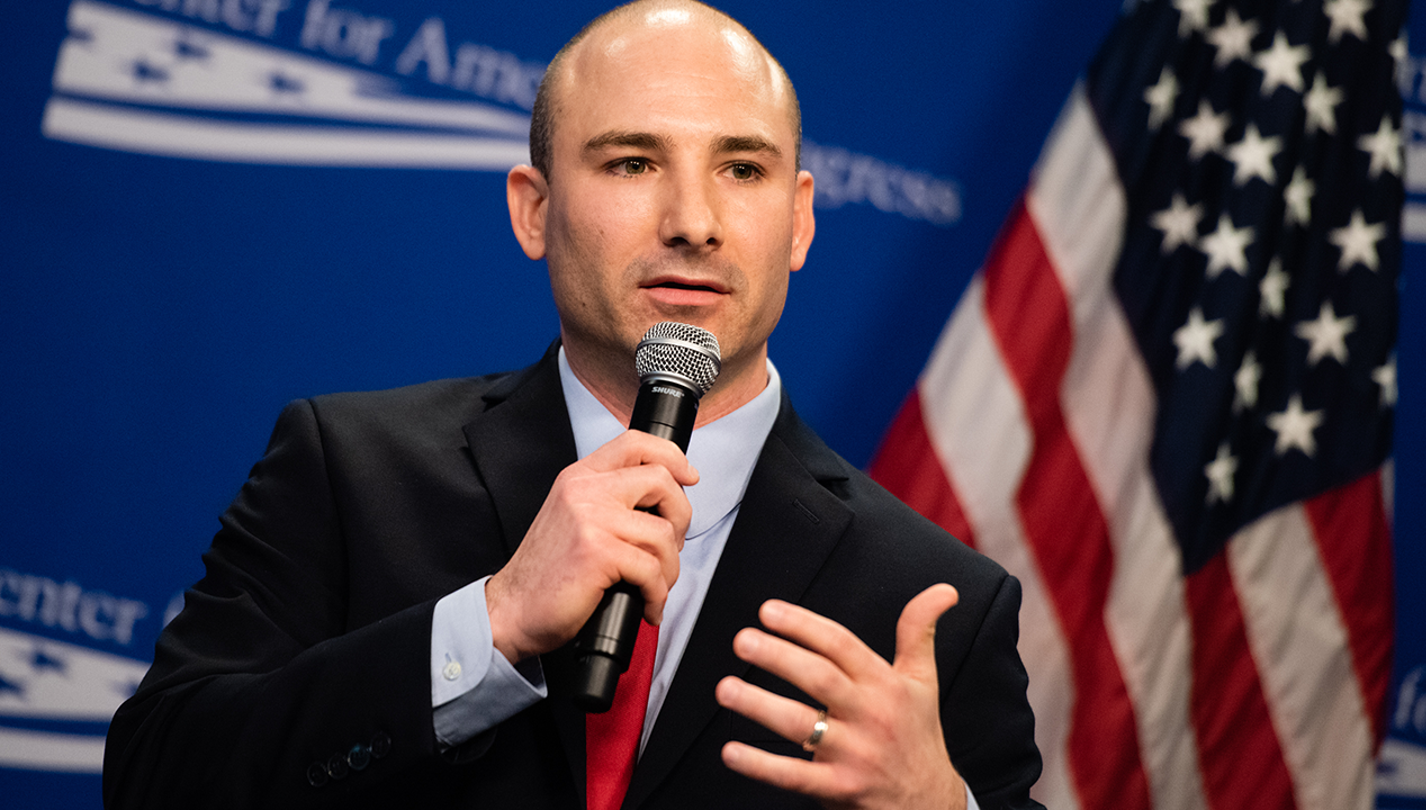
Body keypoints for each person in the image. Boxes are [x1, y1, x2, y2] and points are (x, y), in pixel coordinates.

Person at [102, 2, 1044, 808]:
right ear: (534, 209)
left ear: (798, 221)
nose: (693, 222)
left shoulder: (938, 603)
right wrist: (493, 622)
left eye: (742, 170)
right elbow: (157, 779)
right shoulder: (346, 470)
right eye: (632, 163)